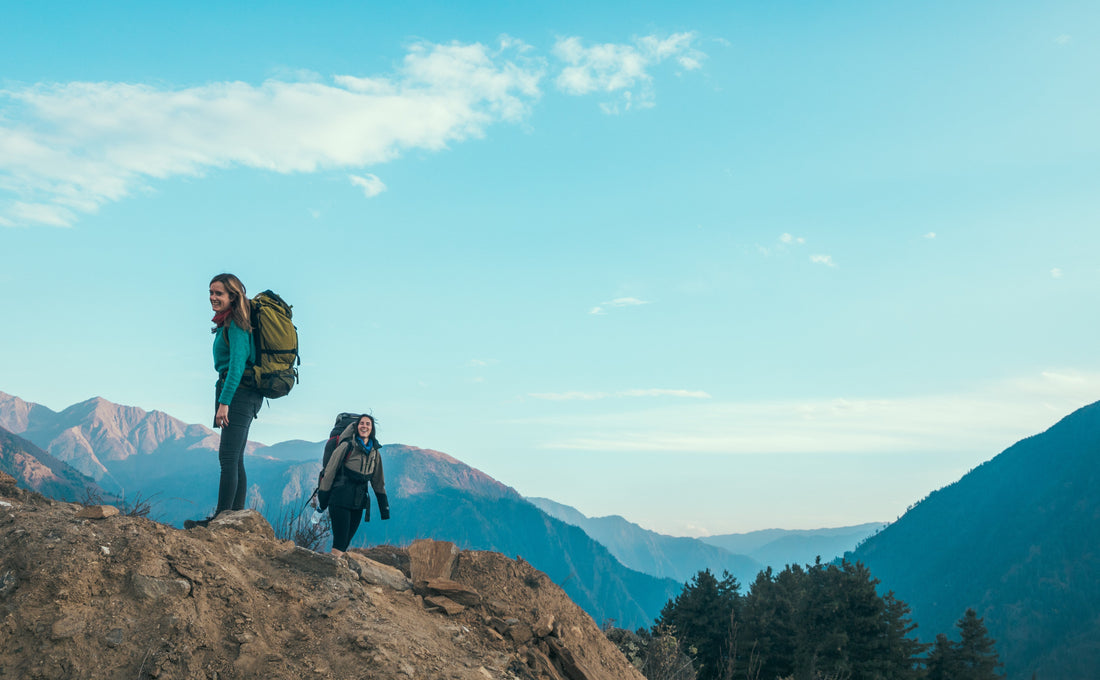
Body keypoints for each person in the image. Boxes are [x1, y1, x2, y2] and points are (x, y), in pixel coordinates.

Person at [185, 273, 262, 529]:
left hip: (239, 393)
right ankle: (234, 517)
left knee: (228, 458)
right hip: (240, 392)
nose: (213, 298)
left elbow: (237, 365)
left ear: (233, 296)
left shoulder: (237, 324)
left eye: (218, 293)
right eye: (210, 292)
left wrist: (224, 401)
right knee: (236, 457)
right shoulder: (227, 322)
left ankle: (221, 519)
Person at [317, 414, 389, 555]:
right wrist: (323, 500)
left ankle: (334, 569)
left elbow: (378, 480)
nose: (364, 426)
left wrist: (384, 508)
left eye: (368, 424)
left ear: (372, 429)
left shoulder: (375, 452)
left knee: (345, 542)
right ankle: (333, 572)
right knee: (340, 541)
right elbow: (330, 472)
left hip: (359, 502)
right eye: (362, 423)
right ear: (356, 427)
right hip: (339, 499)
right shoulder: (347, 446)